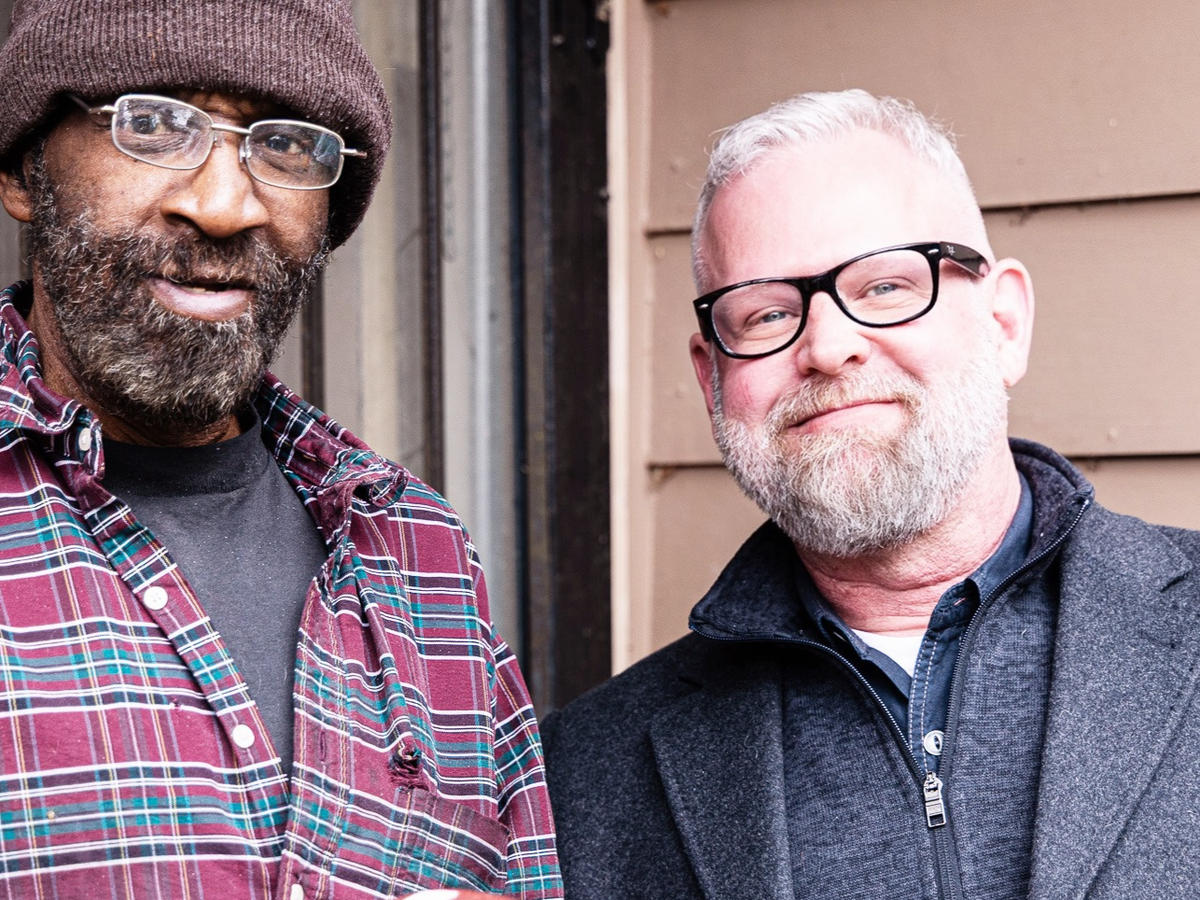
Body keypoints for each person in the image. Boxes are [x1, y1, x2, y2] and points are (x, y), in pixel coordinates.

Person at [542, 88, 1200, 899]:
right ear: (711, 379)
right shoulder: (586, 775)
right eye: (765, 314)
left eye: (886, 286)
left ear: (1004, 323)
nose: (828, 346)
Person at [0, 1, 561, 897]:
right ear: (22, 167)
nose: (224, 206)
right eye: (154, 124)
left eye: (287, 144)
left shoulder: (418, 549)